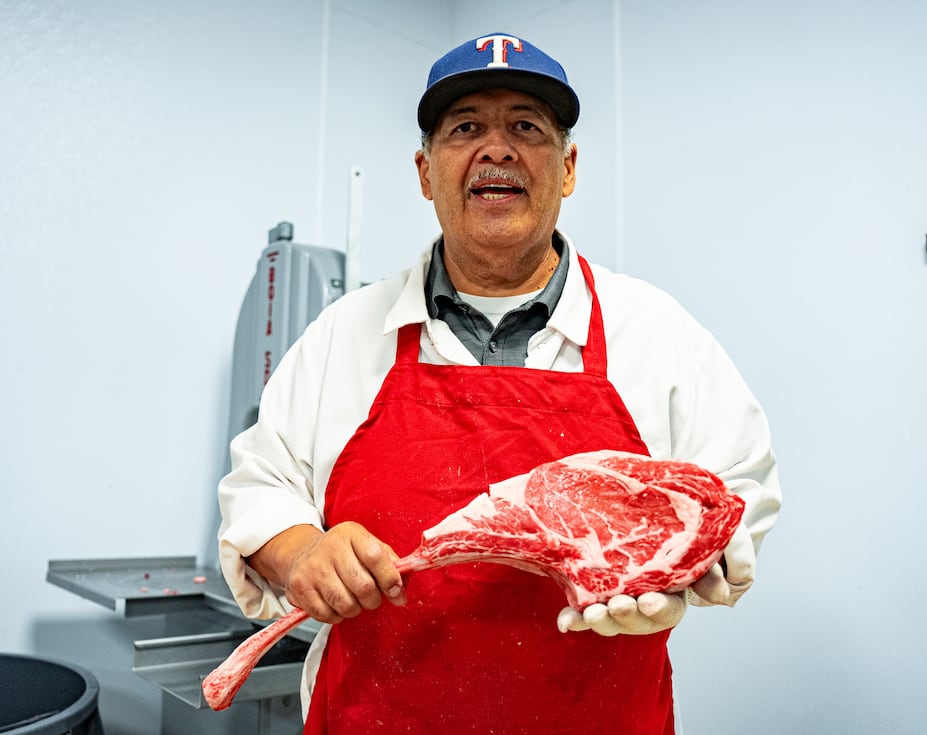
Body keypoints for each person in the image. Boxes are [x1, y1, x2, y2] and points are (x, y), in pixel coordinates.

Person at [218, 32, 781, 735]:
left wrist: (679, 571)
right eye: (466, 128)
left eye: (526, 126)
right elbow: (258, 487)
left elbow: (736, 494)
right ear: (424, 172)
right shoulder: (344, 334)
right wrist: (301, 550)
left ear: (568, 168)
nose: (497, 148)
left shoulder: (659, 334)